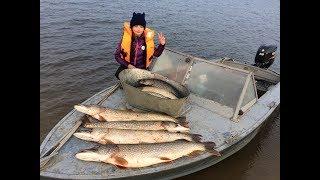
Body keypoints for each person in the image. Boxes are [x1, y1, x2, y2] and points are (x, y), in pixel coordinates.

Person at [114, 12, 166, 79]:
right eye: (136, 26)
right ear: (132, 27)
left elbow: (156, 54)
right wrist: (128, 65)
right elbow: (117, 56)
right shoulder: (125, 40)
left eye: (141, 27)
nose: (138, 29)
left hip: (142, 69)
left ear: (144, 28)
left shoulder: (147, 41)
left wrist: (162, 45)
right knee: (120, 76)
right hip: (127, 67)